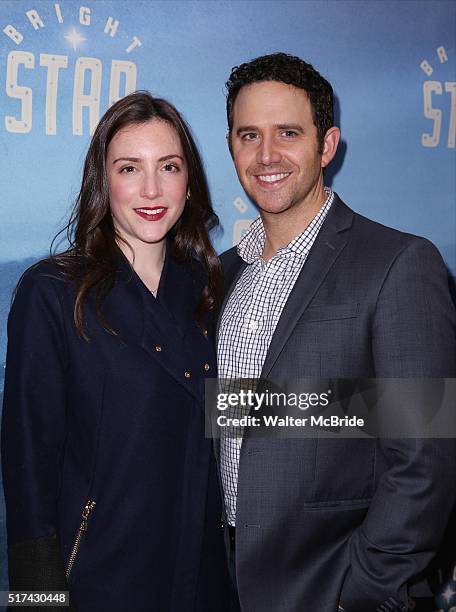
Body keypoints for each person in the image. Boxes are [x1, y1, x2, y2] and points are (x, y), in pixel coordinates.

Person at [217, 53, 456, 612]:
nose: (266, 155)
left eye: (288, 133)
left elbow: (425, 458)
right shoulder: (223, 274)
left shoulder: (399, 263)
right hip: (223, 581)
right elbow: (240, 424)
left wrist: (361, 591)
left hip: (332, 588)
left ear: (327, 146)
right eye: (249, 134)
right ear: (230, 146)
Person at [1, 92, 229, 612]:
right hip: (101, 581)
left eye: (168, 167)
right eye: (130, 168)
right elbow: (28, 468)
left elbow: (235, 414)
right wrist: (37, 600)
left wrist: (390, 410)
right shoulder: (54, 292)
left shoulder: (210, 286)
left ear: (188, 180)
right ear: (103, 181)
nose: (152, 189)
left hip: (205, 579)